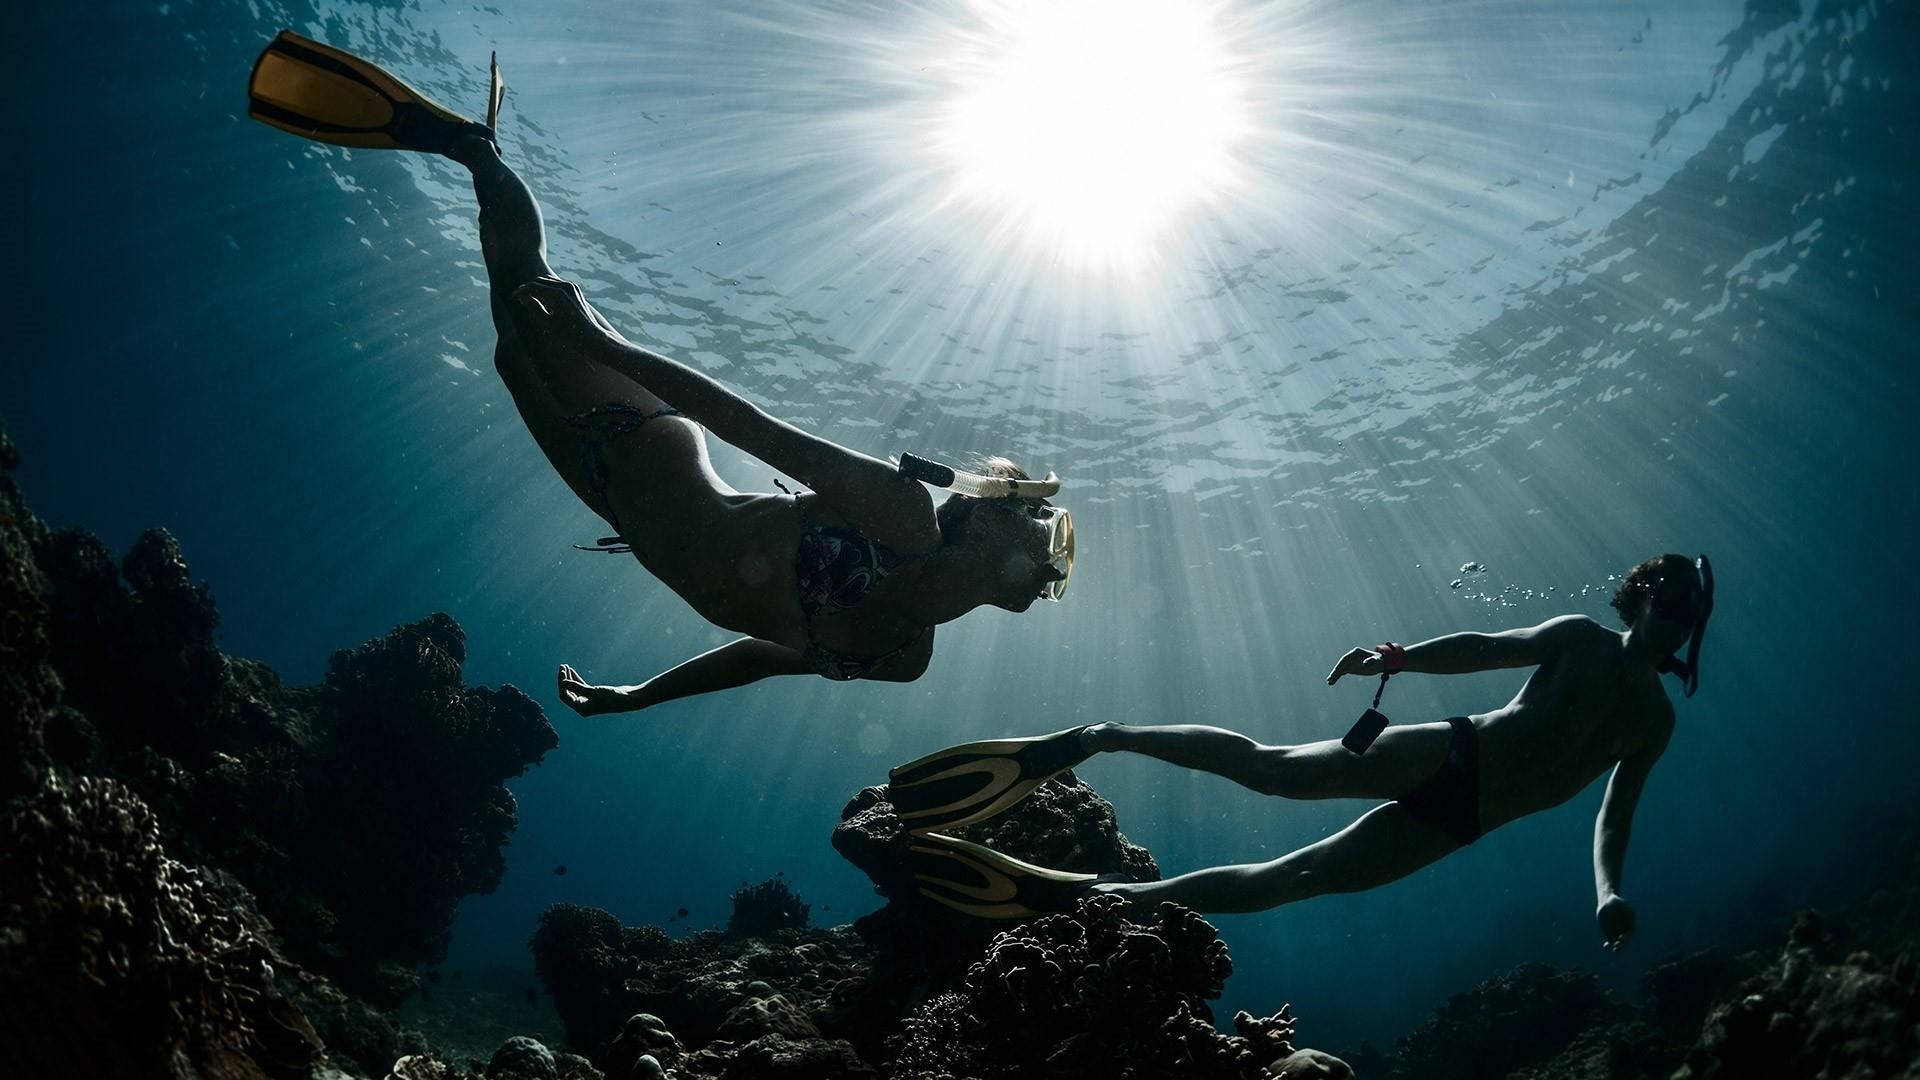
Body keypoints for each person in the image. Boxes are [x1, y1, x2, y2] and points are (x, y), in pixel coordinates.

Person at [246, 32, 1074, 708]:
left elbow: (760, 657)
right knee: (526, 294)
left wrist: (633, 697)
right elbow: (747, 426)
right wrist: (601, 348)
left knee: (506, 344)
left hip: (613, 497)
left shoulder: (906, 660)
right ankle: (473, 151)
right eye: (1044, 534)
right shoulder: (900, 512)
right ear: (992, 517)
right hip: (643, 446)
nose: (1050, 571)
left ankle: (480, 165)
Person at [889, 554, 1714, 951]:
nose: (1673, 620)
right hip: (1449, 757)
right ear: (1640, 595)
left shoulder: (1653, 723)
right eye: (1666, 601)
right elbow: (1485, 647)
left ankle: (1109, 903)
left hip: (1468, 820)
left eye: (1688, 614)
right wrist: (1399, 658)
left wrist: (1608, 893)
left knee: (1298, 881)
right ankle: (1105, 736)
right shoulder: (1579, 640)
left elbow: (1616, 815)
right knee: (1273, 772)